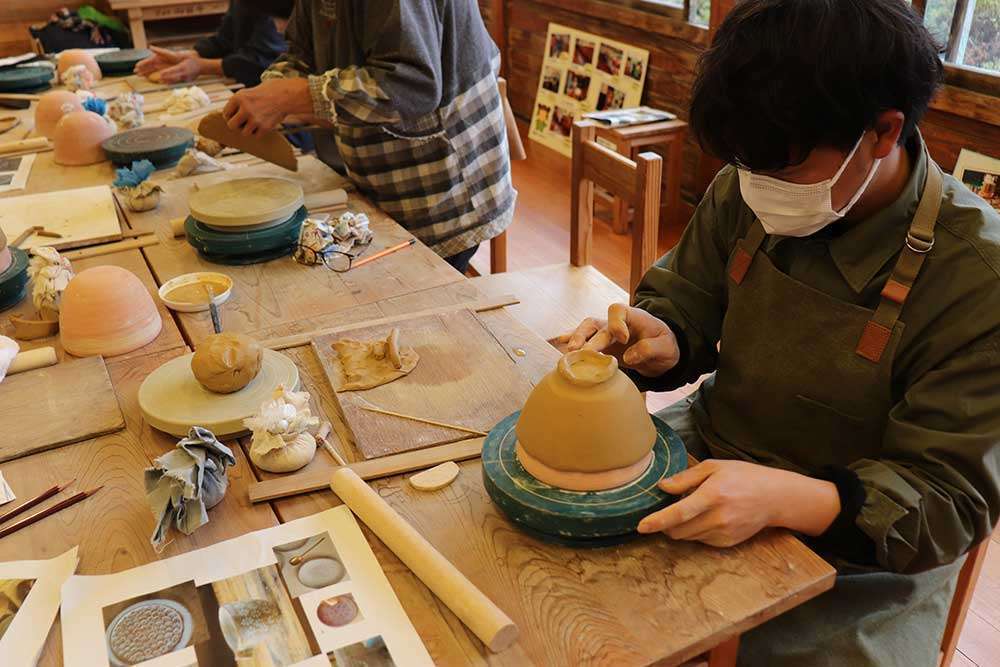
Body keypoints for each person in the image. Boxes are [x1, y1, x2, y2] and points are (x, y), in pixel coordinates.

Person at [562, 1, 1000, 664]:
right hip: (712, 450)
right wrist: (662, 336)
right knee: (566, 579)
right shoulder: (753, 177)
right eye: (747, 168)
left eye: (785, 173)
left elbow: (947, 502)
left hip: (862, 558)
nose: (758, 190)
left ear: (884, 132)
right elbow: (686, 299)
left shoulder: (977, 277)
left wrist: (795, 498)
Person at [219, 0, 516, 272]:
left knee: (421, 298)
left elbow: (412, 86)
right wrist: (271, 90)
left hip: (445, 188)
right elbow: (301, 52)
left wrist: (295, 95)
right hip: (384, 178)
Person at [133, 0, 290, 88]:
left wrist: (200, 66)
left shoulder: (275, 6)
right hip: (244, 89)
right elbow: (225, 38)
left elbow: (262, 60)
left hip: (279, 108)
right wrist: (189, 55)